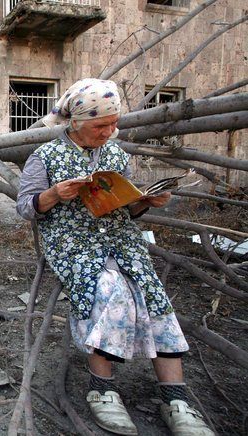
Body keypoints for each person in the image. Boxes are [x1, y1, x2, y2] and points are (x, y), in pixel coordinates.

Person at [16, 78, 214, 436]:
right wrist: (54, 195)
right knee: (110, 292)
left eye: (113, 124)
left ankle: (176, 399)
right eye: (100, 126)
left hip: (121, 239)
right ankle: (102, 390)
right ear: (75, 123)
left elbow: (125, 208)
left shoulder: (117, 155)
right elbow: (26, 208)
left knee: (153, 294)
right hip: (72, 241)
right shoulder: (44, 157)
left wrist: (143, 202)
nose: (109, 132)